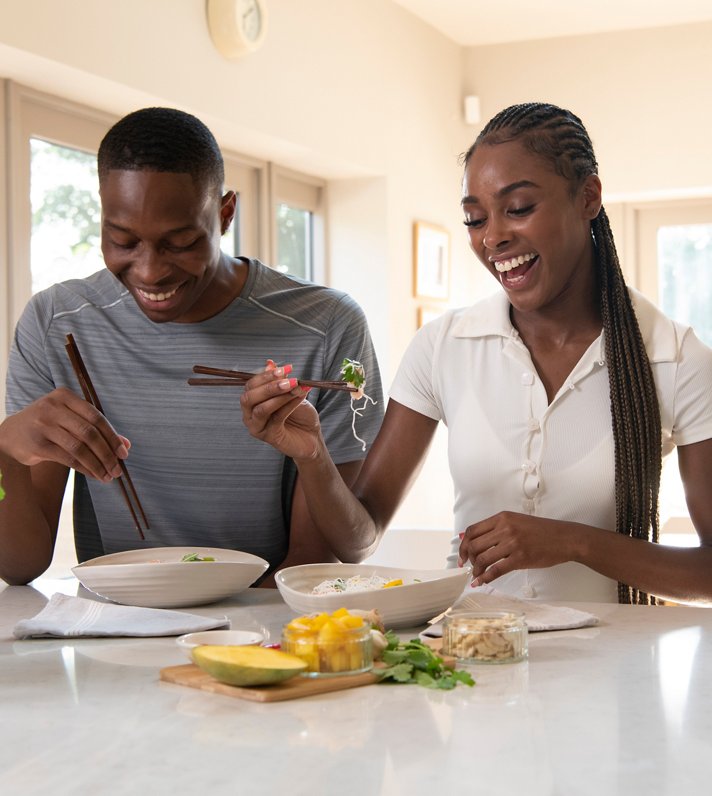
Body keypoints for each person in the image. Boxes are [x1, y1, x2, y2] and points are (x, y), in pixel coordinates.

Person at [241, 102, 712, 605]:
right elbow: (358, 538)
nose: (492, 237)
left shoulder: (675, 357)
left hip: (614, 671)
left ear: (588, 198)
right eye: (474, 218)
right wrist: (313, 456)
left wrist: (573, 541)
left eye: (520, 208)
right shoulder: (444, 346)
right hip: (468, 663)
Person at [0, 107, 383, 587]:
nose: (150, 271)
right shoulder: (54, 323)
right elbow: (20, 565)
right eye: (122, 240)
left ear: (225, 213)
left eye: (180, 243)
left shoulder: (325, 325)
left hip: (260, 625)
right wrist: (7, 453)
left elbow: (319, 558)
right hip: (115, 625)